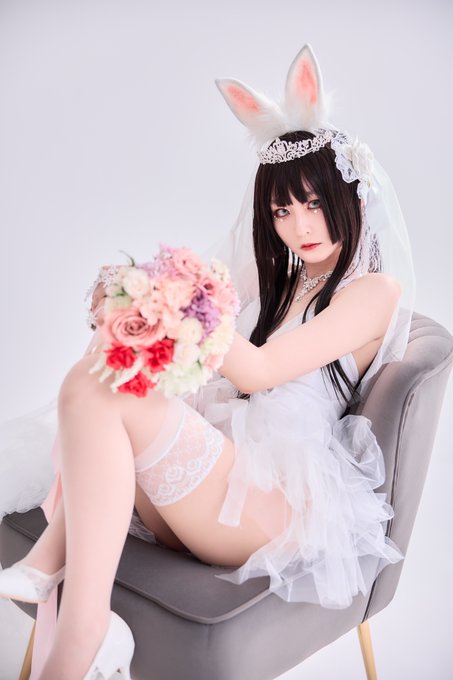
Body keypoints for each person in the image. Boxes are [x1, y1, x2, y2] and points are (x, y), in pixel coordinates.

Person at [0, 45, 415, 679]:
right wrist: (137, 301)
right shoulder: (279, 277)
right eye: (282, 210)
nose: (299, 225)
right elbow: (202, 322)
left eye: (313, 203)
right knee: (103, 368)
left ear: (351, 196)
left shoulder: (373, 292)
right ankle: (77, 607)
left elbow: (259, 371)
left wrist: (175, 306)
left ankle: (79, 621)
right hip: (211, 485)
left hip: (269, 503)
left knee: (113, 375)